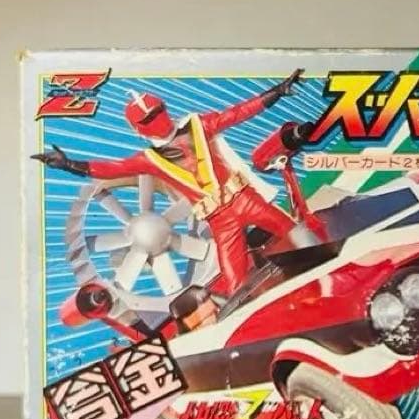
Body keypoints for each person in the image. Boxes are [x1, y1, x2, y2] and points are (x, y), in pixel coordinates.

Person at [32, 69, 304, 296]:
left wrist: (277, 92)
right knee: (235, 283)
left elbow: (238, 113)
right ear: (138, 129)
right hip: (221, 220)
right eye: (148, 118)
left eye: (157, 112)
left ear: (165, 108)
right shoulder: (149, 159)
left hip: (244, 199)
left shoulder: (199, 125)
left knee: (295, 232)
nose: (156, 120)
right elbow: (112, 169)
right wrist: (69, 164)